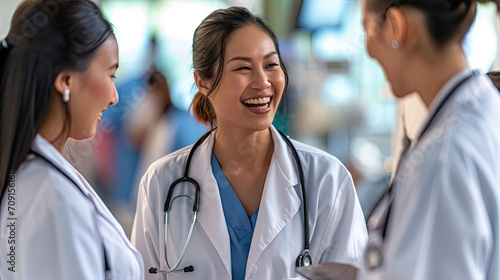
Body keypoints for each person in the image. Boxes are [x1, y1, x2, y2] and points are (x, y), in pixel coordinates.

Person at [131, 6, 367, 280]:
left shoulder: (327, 179)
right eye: (243, 68)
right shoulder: (162, 183)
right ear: (203, 82)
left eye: (271, 65)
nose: (263, 82)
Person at [0, 0, 143, 279]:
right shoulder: (54, 197)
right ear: (66, 80)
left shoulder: (29, 177)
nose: (114, 96)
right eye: (110, 74)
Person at [358, 0, 500, 279]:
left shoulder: (442, 158)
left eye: (367, 31)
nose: (369, 49)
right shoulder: (486, 108)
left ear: (397, 27)